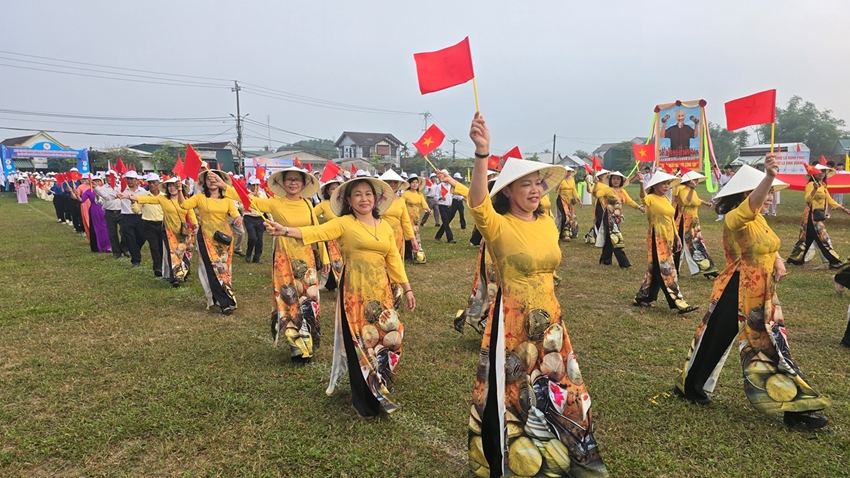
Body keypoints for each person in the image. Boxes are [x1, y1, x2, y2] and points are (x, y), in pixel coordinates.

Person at [465, 114, 607, 478]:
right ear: (507, 192)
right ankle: (514, 460)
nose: (532, 190)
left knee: (563, 387)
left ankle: (570, 454)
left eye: (536, 184)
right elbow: (478, 202)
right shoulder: (496, 224)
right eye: (522, 185)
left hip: (551, 321)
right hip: (511, 321)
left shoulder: (546, 222)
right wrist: (482, 154)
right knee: (514, 392)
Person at [673, 159, 830, 429]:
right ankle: (794, 409)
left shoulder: (759, 220)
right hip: (738, 288)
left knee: (757, 344)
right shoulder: (736, 217)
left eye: (770, 192)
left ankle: (793, 409)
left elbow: (769, 244)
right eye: (767, 192)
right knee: (732, 342)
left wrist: (778, 260)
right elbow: (748, 211)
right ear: (747, 194)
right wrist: (767, 177)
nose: (770, 197)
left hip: (762, 293)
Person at [264, 176, 415, 416]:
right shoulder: (344, 223)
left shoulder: (384, 225)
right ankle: (365, 399)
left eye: (368, 193)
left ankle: (379, 380)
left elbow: (394, 259)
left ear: (376, 198)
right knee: (360, 339)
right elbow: (316, 231)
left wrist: (406, 288)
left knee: (390, 338)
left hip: (380, 289)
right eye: (357, 194)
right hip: (354, 290)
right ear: (349, 200)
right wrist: (285, 230)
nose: (364, 198)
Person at [242, 167, 329, 365]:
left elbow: (317, 232)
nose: (293, 183)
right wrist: (225, 186)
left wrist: (324, 258)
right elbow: (248, 200)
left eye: (297, 180)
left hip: (306, 259)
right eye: (289, 180)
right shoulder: (274, 202)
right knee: (289, 300)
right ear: (281, 183)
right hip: (284, 259)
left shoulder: (308, 204)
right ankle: (297, 347)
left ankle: (310, 341)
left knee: (309, 301)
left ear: (303, 184)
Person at [633, 171, 698, 314]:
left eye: (668, 184)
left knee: (655, 268)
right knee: (667, 270)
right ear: (655, 185)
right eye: (663, 183)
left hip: (668, 238)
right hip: (657, 237)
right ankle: (679, 303)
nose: (666, 186)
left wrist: (677, 236)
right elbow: (643, 198)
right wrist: (642, 183)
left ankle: (643, 297)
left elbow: (671, 219)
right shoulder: (650, 198)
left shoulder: (667, 200)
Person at [178, 169, 241, 315]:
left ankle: (226, 293)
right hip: (206, 237)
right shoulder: (199, 197)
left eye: (215, 178)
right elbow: (184, 206)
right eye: (209, 179)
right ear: (204, 183)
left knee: (224, 268)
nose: (212, 181)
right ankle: (223, 302)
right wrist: (181, 191)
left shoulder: (227, 199)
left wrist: (238, 218)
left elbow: (234, 212)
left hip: (223, 238)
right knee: (212, 269)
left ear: (221, 181)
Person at [128, 177, 197, 287]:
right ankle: (174, 277)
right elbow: (147, 200)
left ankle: (184, 270)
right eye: (169, 186)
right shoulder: (162, 199)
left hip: (183, 231)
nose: (172, 188)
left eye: (174, 186)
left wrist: (195, 225)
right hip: (168, 231)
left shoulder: (185, 200)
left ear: (180, 188)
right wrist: (130, 197)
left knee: (184, 253)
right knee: (172, 254)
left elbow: (191, 213)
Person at [787, 164, 849, 267]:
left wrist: (843, 209)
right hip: (811, 216)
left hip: (818, 215)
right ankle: (834, 261)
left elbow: (830, 200)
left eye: (823, 171)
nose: (821, 173)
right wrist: (814, 189)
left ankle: (795, 259)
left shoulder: (823, 186)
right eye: (819, 171)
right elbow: (807, 199)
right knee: (822, 237)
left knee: (806, 238)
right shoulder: (811, 185)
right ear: (813, 174)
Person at [673, 170, 718, 279]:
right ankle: (674, 270)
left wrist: (705, 203)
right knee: (682, 246)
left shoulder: (693, 191)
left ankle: (707, 269)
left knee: (697, 244)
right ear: (688, 182)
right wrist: (691, 189)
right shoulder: (683, 190)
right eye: (694, 180)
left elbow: (696, 199)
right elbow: (687, 201)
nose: (696, 182)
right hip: (684, 221)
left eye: (697, 180)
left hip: (694, 221)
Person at [596, 171, 643, 268]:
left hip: (617, 218)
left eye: (618, 179)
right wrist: (596, 184)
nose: (616, 181)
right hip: (608, 216)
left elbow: (629, 201)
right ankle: (624, 263)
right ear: (610, 180)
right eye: (614, 179)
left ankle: (605, 260)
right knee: (616, 238)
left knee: (610, 239)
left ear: (621, 181)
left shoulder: (623, 192)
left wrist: (639, 207)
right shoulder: (607, 189)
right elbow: (597, 194)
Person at [313, 178, 344, 291]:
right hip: (330, 237)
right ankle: (332, 283)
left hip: (345, 237)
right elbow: (310, 215)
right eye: (332, 188)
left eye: (337, 188)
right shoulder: (324, 205)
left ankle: (342, 282)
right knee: (334, 261)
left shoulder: (345, 203)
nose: (335, 190)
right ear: (327, 191)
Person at [137, 173, 165, 278]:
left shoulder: (165, 196)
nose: (152, 185)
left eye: (154, 182)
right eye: (150, 182)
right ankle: (157, 267)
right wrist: (132, 202)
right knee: (154, 246)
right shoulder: (143, 195)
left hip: (162, 223)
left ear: (158, 183)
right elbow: (137, 209)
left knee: (162, 246)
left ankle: (163, 265)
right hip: (149, 224)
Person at [94, 174, 128, 258]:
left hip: (121, 211)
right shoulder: (102, 188)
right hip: (110, 212)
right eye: (107, 176)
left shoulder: (120, 187)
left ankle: (124, 248)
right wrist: (98, 197)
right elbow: (99, 202)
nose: (109, 178)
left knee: (125, 232)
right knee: (112, 234)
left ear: (116, 178)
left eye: (111, 176)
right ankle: (116, 252)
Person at [119, 171, 147, 268]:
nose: (129, 181)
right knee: (130, 238)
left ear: (136, 180)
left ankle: (134, 250)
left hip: (140, 216)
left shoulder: (142, 191)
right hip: (126, 216)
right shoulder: (122, 190)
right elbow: (109, 196)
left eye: (131, 179)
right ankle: (135, 260)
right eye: (128, 179)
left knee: (142, 238)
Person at [79, 174, 112, 253]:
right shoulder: (89, 191)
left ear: (101, 182)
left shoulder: (104, 189)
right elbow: (81, 200)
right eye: (95, 181)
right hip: (95, 211)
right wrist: (76, 195)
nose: (96, 183)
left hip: (105, 209)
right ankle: (96, 246)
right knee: (96, 228)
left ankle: (107, 246)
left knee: (106, 228)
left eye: (98, 181)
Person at [401, 174, 430, 262]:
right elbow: (401, 204)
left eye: (416, 183)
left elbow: (424, 204)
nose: (414, 184)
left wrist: (428, 209)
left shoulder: (419, 194)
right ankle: (407, 254)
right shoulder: (406, 194)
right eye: (413, 182)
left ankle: (415, 253)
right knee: (408, 235)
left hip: (416, 218)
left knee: (416, 234)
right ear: (409, 184)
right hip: (407, 217)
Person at [242, 177, 267, 264]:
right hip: (249, 217)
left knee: (259, 239)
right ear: (249, 185)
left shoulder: (262, 194)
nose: (255, 187)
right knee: (253, 237)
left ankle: (257, 257)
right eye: (253, 185)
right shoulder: (246, 194)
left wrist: (270, 220)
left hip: (260, 218)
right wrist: (252, 198)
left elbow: (266, 206)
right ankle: (248, 253)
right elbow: (242, 206)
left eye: (257, 185)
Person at [583, 169, 609, 245]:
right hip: (599, 204)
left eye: (606, 173)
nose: (606, 175)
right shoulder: (597, 184)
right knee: (600, 220)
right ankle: (594, 235)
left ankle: (591, 235)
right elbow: (590, 190)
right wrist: (588, 183)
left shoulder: (608, 184)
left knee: (604, 221)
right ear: (600, 176)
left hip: (607, 204)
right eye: (604, 174)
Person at [555, 166, 580, 242]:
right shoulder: (561, 180)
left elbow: (574, 190)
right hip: (561, 199)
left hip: (570, 201)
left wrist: (579, 200)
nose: (568, 173)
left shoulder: (572, 180)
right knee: (565, 216)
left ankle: (571, 232)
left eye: (570, 171)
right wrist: (559, 182)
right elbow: (556, 191)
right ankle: (564, 234)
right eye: (567, 171)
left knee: (572, 216)